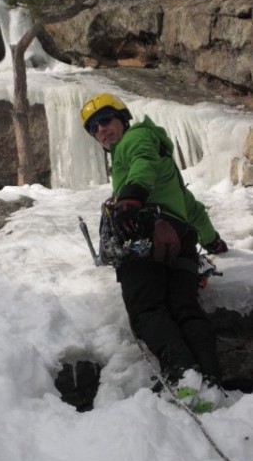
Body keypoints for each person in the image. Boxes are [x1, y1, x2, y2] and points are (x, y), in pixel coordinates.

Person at [80, 93, 228, 409]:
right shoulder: (166, 167)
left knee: (147, 309)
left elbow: (141, 164)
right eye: (94, 128)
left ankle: (183, 375)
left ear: (123, 119)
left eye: (106, 120)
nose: (101, 131)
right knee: (184, 308)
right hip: (182, 242)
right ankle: (210, 380)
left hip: (145, 235)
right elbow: (192, 208)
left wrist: (131, 198)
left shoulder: (135, 140)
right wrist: (212, 240)